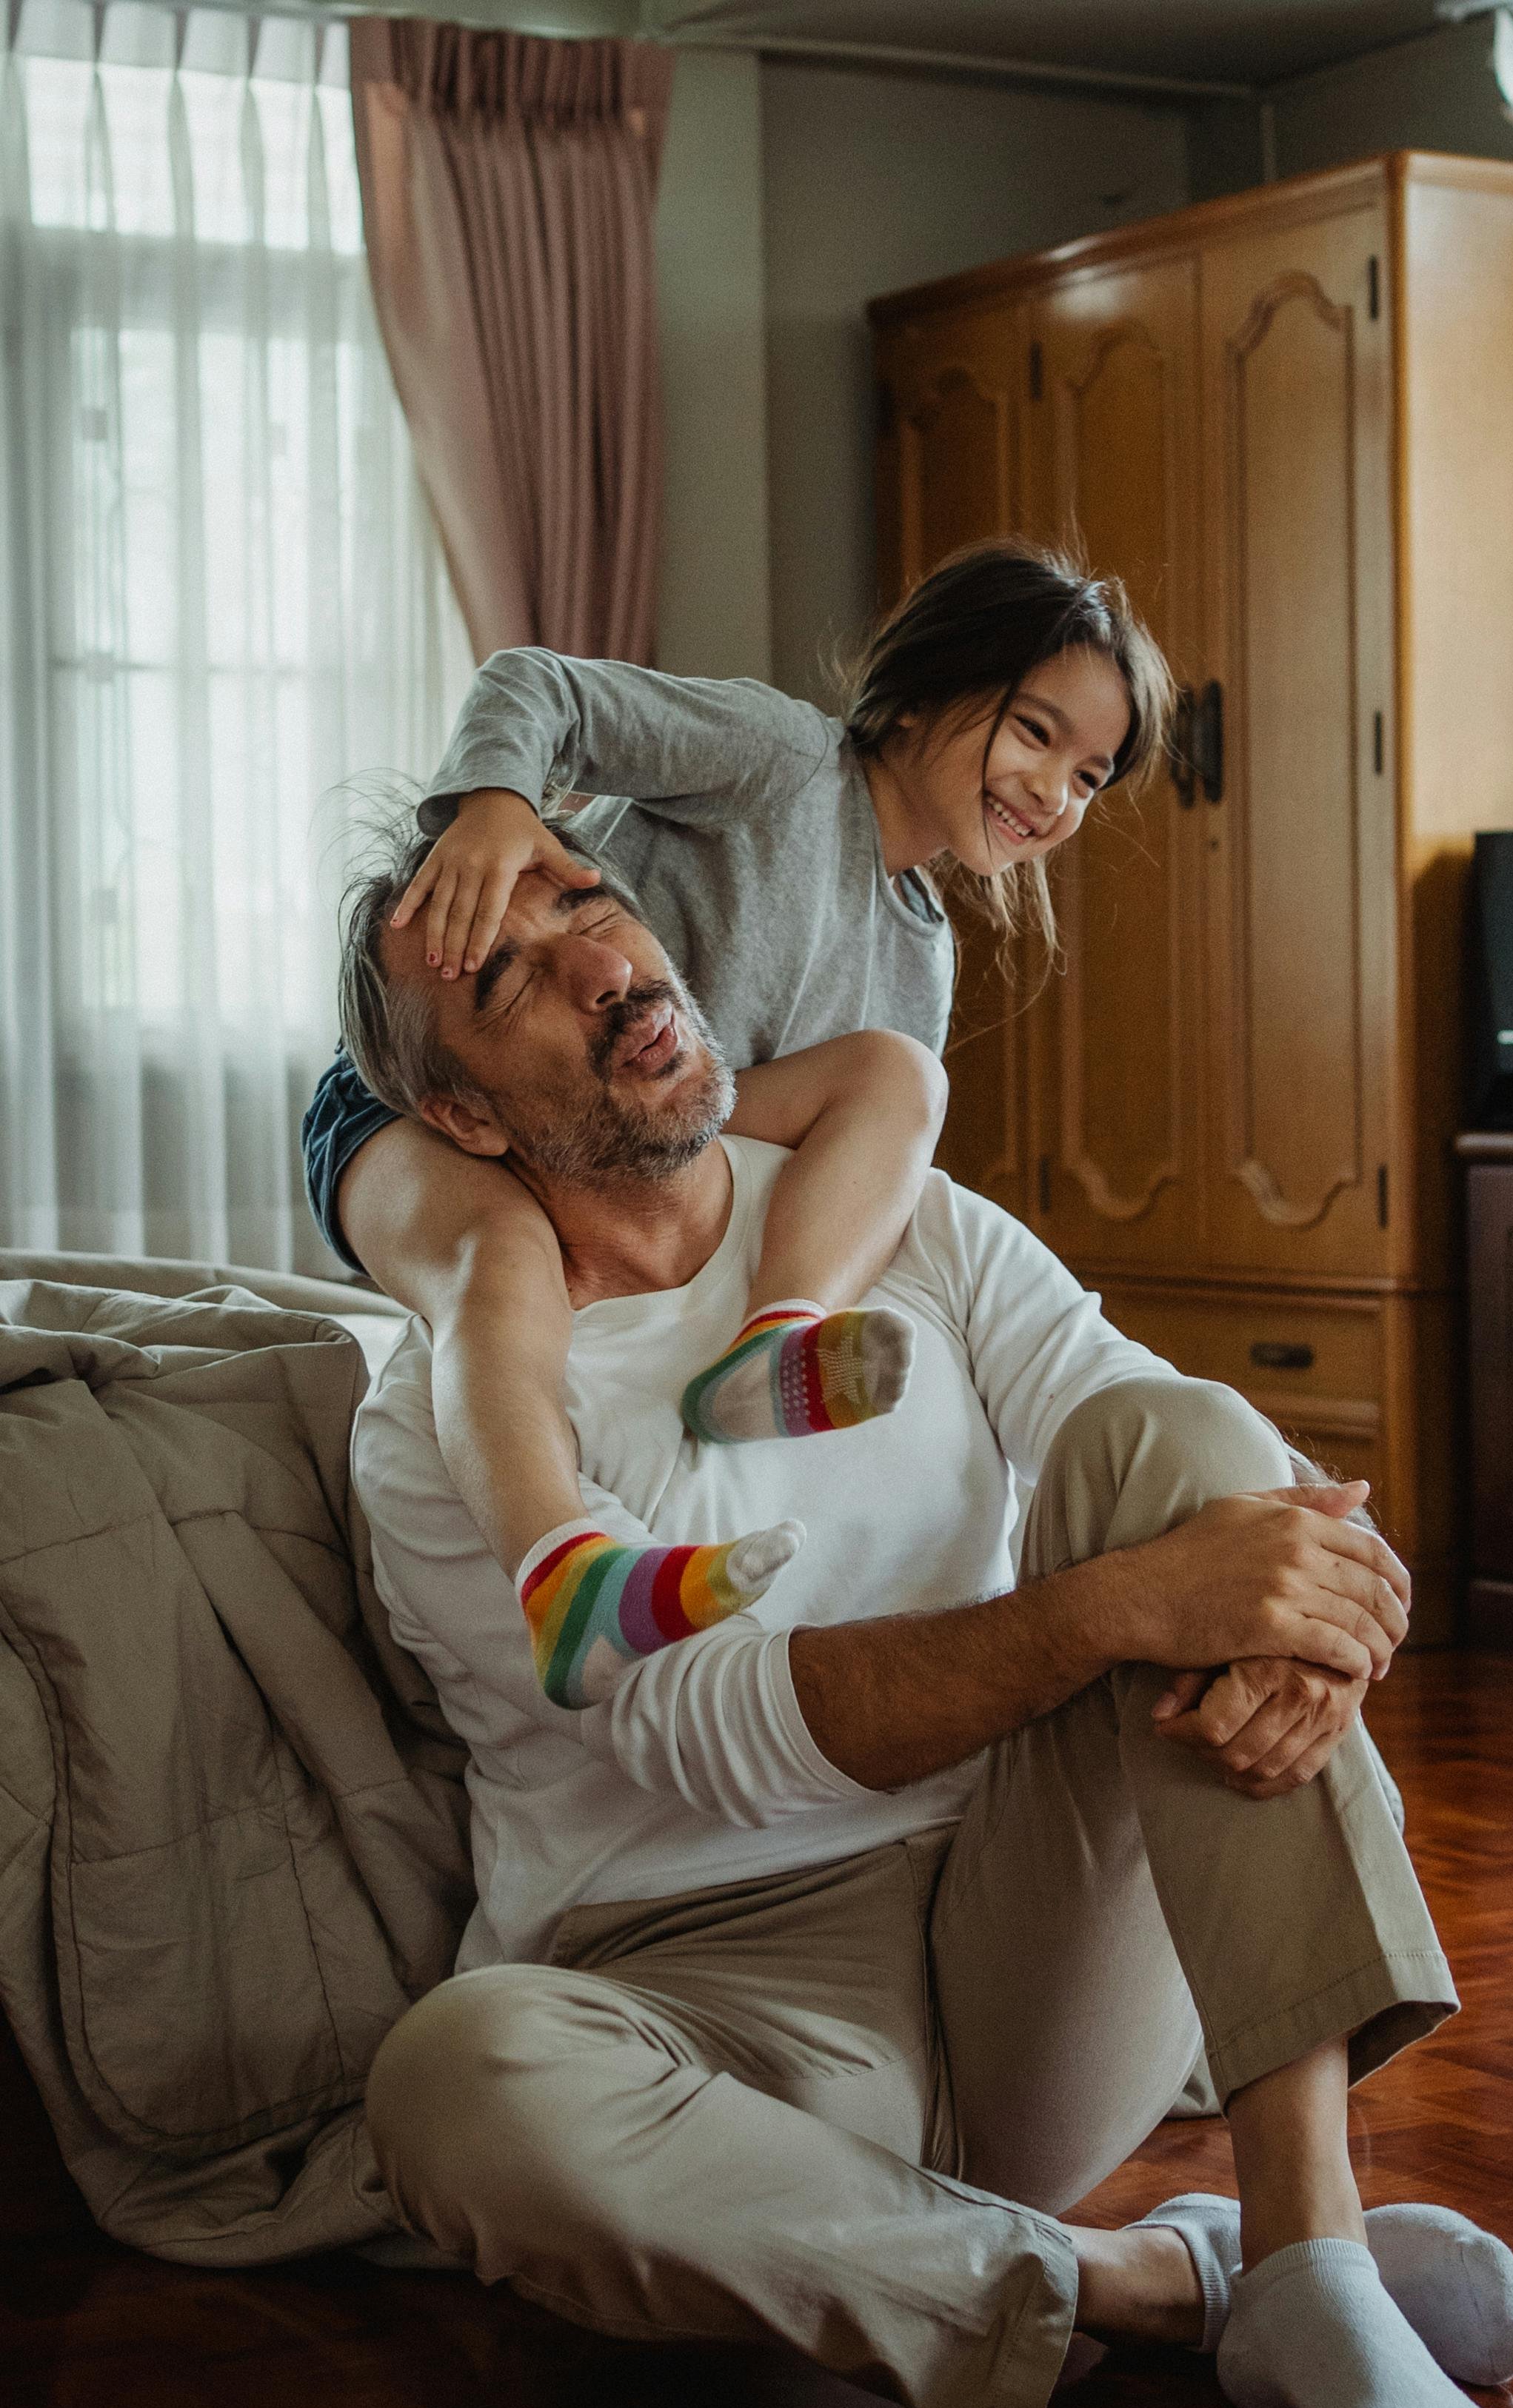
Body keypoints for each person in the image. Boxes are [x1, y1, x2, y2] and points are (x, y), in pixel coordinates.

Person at [346, 840, 1513, 2408]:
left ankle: (1312, 2249)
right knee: (454, 2081)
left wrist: (1315, 1605)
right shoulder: (448, 1423)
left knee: (1182, 1434)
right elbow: (713, 1729)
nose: (592, 956)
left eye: (580, 898)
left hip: (1033, 1936)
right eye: (506, 977)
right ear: (463, 1121)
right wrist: (1112, 1610)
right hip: (728, 2018)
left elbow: (1189, 1459)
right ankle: (1165, 2283)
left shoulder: (893, 1214)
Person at [307, 543, 1169, 1681]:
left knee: (901, 1080)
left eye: (1090, 775)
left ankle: (777, 1334)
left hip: (645, 1122)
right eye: (1033, 732)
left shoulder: (922, 954)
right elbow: (541, 686)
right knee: (497, 1252)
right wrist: (497, 804)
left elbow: (829, 1147)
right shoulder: (783, 759)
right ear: (923, 692)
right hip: (417, 1108)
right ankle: (563, 1569)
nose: (1054, 792)